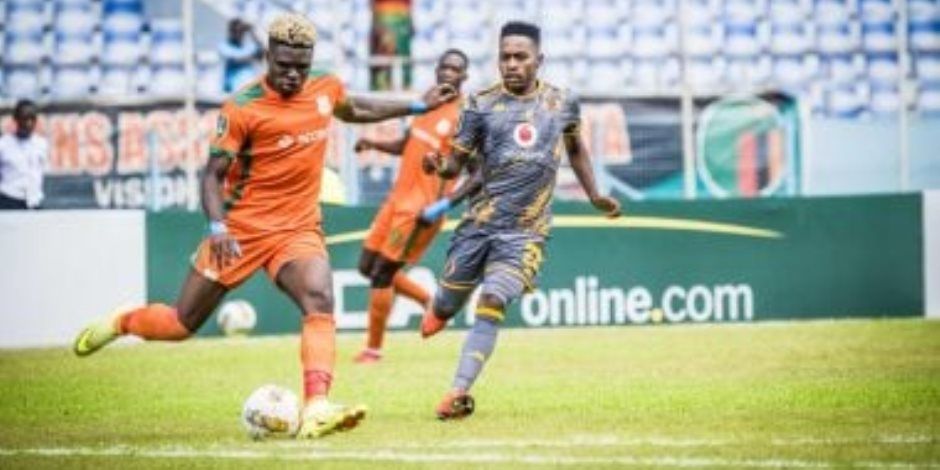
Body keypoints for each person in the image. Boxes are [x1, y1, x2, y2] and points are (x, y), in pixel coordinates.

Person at [73, 13, 458, 439]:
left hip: (298, 226)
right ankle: (124, 320)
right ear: (269, 56)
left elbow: (355, 108)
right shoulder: (242, 107)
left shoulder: (325, 87)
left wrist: (417, 105)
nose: (293, 74)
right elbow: (212, 176)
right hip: (241, 229)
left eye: (301, 66)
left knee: (319, 299)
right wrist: (218, 228)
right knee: (180, 324)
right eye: (284, 65)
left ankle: (316, 407)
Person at [419, 21, 621, 420]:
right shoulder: (479, 104)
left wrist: (595, 194)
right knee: (446, 301)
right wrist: (437, 165)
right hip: (478, 227)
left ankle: (457, 391)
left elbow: (576, 148)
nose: (511, 64)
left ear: (538, 60)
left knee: (493, 298)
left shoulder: (562, 102)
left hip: (525, 233)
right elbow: (455, 167)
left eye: (520, 57)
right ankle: (441, 308)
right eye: (505, 57)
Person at [351, 49, 478, 364]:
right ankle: (429, 300)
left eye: (455, 69)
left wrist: (442, 206)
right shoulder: (427, 103)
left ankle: (373, 350)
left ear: (464, 76)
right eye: (444, 67)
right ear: (436, 70)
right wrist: (373, 143)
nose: (448, 73)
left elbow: (478, 173)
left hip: (421, 209)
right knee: (366, 266)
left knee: (383, 273)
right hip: (395, 200)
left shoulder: (464, 117)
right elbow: (406, 144)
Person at [0, 100, 48, 210]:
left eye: (32, 119)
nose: (29, 123)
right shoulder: (3, 144)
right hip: (9, 199)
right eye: (25, 119)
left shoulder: (41, 144)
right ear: (16, 119)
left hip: (34, 201)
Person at [219, 18, 263, 93]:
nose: (238, 34)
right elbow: (236, 60)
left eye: (241, 31)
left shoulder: (249, 46)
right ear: (230, 31)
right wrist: (253, 57)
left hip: (249, 88)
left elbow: (261, 55)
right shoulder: (224, 46)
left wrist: (252, 32)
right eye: (235, 31)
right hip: (232, 89)